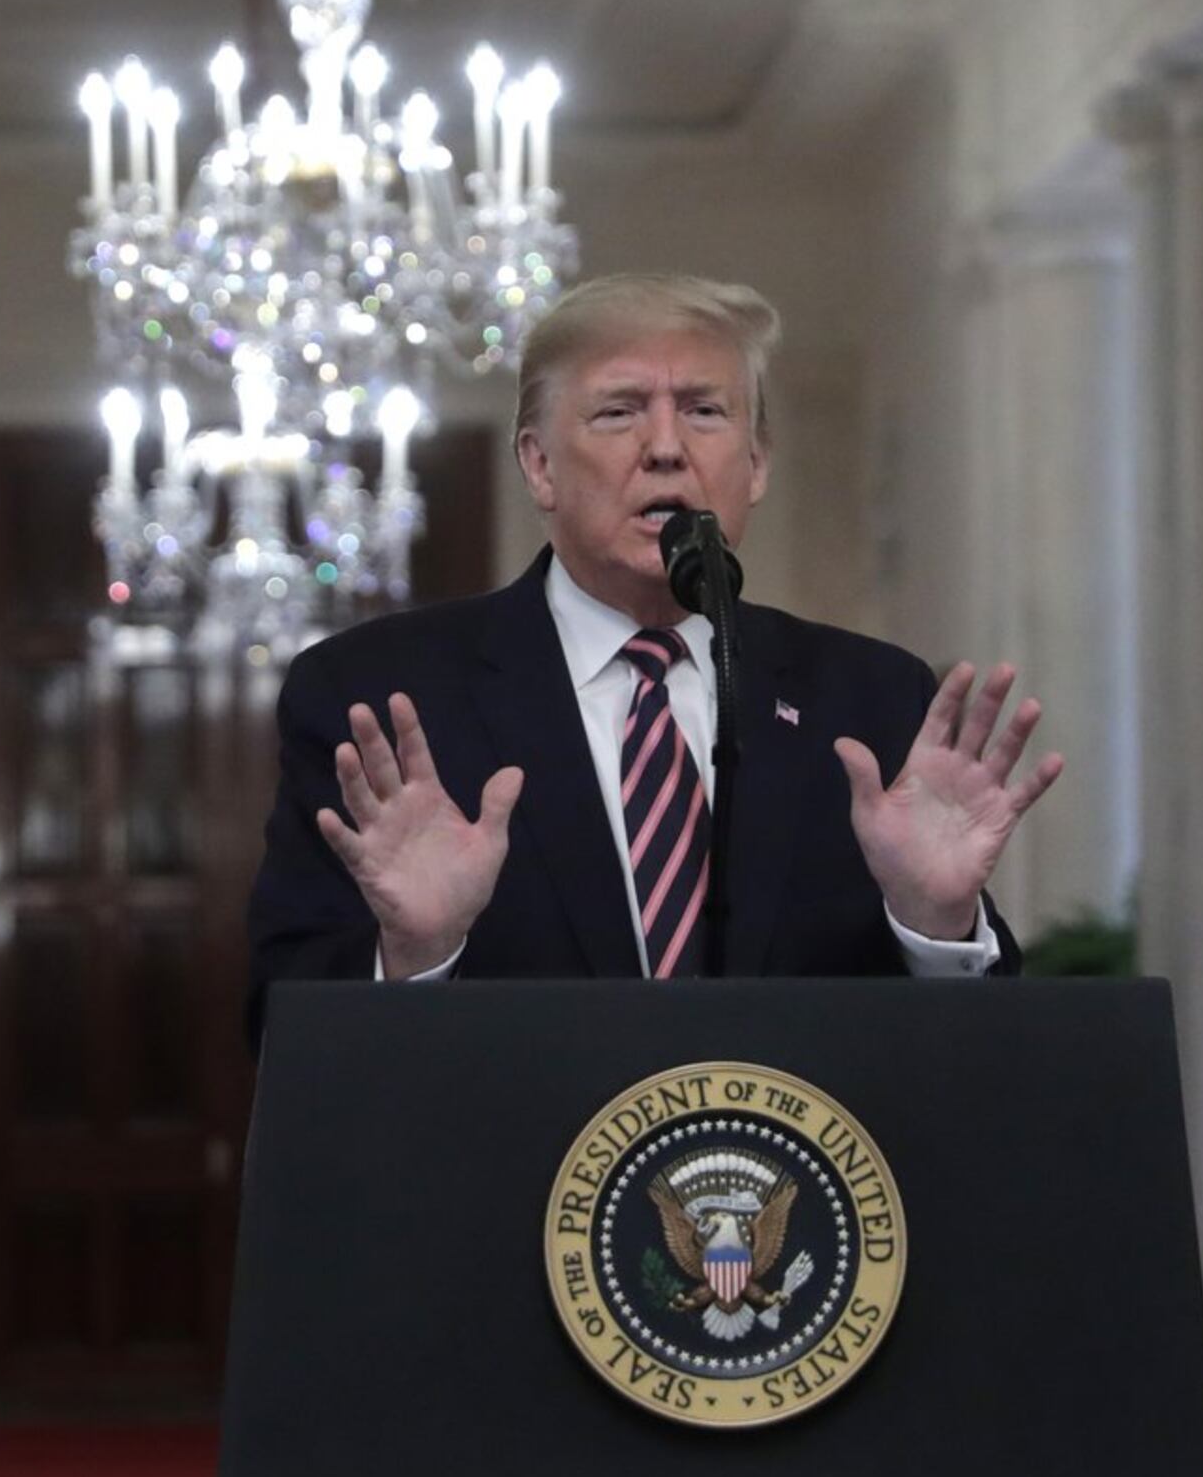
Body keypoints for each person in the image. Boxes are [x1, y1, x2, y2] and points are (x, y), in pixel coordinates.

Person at [246, 273, 1066, 1019]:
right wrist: (418, 955)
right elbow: (280, 1022)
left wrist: (935, 924)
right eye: (618, 411)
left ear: (755, 465)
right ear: (539, 467)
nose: (667, 446)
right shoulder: (382, 700)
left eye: (706, 411)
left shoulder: (870, 698)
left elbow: (970, 1065)